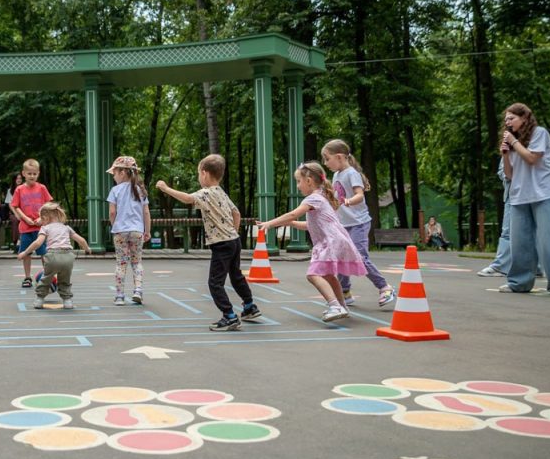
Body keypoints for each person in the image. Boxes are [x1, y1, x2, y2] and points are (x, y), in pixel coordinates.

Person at [156, 154, 258, 332]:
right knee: (236, 276)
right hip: (234, 241)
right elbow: (236, 213)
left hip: (221, 244)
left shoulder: (206, 193)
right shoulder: (221, 192)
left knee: (215, 282)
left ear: (204, 173)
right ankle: (249, 306)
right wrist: (233, 232)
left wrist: (166, 188)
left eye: (198, 174)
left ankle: (229, 316)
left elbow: (188, 199)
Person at [258, 162, 367, 322]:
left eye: (299, 181)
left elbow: (292, 214)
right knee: (329, 275)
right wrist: (292, 224)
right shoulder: (322, 197)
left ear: (309, 181)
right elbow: (310, 225)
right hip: (336, 240)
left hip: (329, 242)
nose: (297, 186)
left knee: (313, 274)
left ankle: (334, 306)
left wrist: (270, 224)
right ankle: (342, 306)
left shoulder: (313, 198)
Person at [498, 103, 550, 296]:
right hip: (518, 196)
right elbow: (509, 174)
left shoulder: (539, 133)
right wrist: (505, 155)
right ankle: (519, 283)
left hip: (543, 194)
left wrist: (514, 142)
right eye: (506, 119)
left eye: (511, 118)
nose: (508, 122)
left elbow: (532, 158)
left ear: (524, 118)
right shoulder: (512, 142)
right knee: (520, 243)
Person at [321, 139, 397, 308]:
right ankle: (345, 292)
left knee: (360, 258)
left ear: (339, 157)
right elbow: (336, 199)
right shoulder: (337, 175)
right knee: (342, 257)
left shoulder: (351, 174)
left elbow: (360, 195)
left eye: (327, 158)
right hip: (344, 225)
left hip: (358, 224)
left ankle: (385, 287)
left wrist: (348, 201)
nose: (325, 163)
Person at [17, 202, 91, 309]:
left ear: (46, 218)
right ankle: (67, 301)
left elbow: (37, 243)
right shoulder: (66, 228)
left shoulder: (45, 228)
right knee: (65, 280)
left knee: (46, 279)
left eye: (41, 219)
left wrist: (25, 253)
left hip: (52, 256)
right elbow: (81, 240)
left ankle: (39, 299)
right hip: (68, 257)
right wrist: (87, 249)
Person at [107, 155, 151, 306]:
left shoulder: (115, 190)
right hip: (137, 231)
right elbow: (146, 212)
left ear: (122, 172)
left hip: (120, 231)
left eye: (114, 173)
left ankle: (120, 296)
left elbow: (112, 212)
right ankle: (138, 290)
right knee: (136, 262)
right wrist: (147, 231)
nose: (113, 176)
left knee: (121, 263)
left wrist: (115, 226)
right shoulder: (141, 190)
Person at [10, 159, 53, 288]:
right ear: (24, 173)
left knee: (44, 253)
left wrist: (42, 218)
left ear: (38, 173)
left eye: (34, 174)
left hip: (41, 228)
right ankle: (27, 277)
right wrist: (24, 218)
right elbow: (16, 206)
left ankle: (46, 276)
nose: (32, 176)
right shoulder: (19, 189)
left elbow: (49, 205)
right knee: (26, 253)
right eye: (29, 173)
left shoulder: (42, 188)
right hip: (25, 227)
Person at [3, 172, 23, 250]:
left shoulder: (25, 188)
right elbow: (10, 204)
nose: (19, 180)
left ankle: (21, 241)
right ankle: (16, 241)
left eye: (20, 178)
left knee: (24, 220)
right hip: (13, 212)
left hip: (23, 212)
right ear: (14, 180)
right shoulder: (10, 190)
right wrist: (16, 213)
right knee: (15, 220)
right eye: (17, 178)